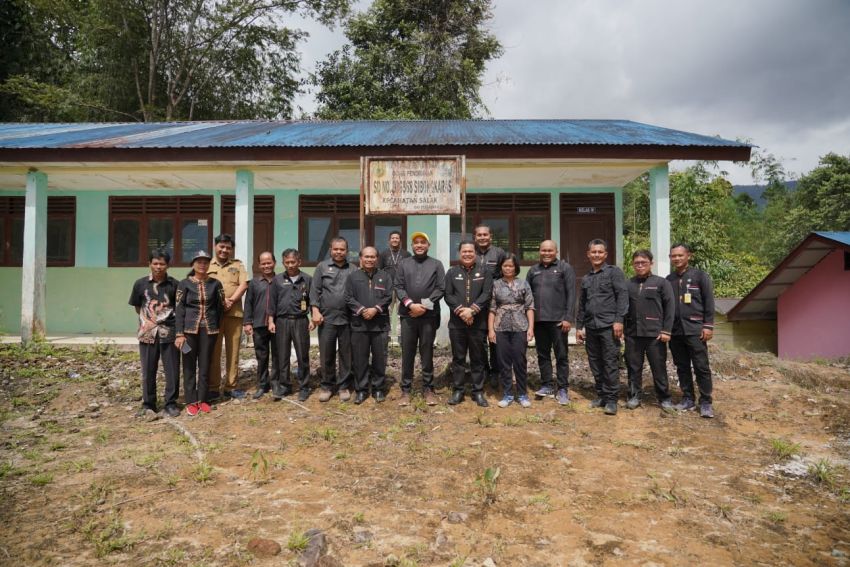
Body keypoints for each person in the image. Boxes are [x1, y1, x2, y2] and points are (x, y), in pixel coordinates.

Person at [576, 239, 628, 416]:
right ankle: (602, 396)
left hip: (609, 326)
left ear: (605, 254)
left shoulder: (614, 273)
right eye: (593, 252)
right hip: (591, 327)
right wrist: (579, 326)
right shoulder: (586, 278)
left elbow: (622, 296)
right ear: (588, 254)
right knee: (595, 363)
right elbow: (582, 304)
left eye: (600, 252)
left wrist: (619, 320)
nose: (596, 255)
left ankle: (612, 400)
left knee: (610, 362)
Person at [128, 249, 181, 418]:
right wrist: (150, 321)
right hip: (147, 334)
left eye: (162, 264)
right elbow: (138, 307)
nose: (158, 267)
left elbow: (179, 309)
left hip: (169, 333)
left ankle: (171, 403)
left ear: (168, 265)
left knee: (172, 369)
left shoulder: (175, 285)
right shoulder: (140, 284)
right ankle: (148, 404)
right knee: (148, 369)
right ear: (149, 264)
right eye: (155, 263)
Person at [394, 231, 445, 406]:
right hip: (408, 315)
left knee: (427, 352)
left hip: (429, 316)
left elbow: (441, 288)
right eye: (416, 242)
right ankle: (406, 390)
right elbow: (398, 287)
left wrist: (424, 306)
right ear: (412, 246)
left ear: (428, 245)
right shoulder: (403, 264)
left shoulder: (436, 264)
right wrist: (410, 305)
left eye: (423, 242)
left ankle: (428, 389)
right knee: (407, 352)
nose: (419, 245)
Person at [667, 243, 716, 418]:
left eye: (680, 255)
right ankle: (688, 398)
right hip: (676, 331)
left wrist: (708, 325)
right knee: (681, 366)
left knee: (701, 366)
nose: (677, 259)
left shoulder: (700, 276)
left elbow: (709, 302)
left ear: (689, 256)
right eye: (673, 256)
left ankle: (705, 402)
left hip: (695, 329)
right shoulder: (669, 280)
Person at [174, 251, 225, 416]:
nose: (202, 265)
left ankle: (203, 399)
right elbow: (179, 310)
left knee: (205, 365)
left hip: (209, 331)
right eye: (199, 262)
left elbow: (220, 308)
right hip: (189, 332)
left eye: (205, 262)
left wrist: (216, 326)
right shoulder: (184, 284)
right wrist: (179, 333)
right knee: (189, 365)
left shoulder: (215, 284)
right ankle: (190, 400)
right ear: (193, 264)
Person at [526, 240, 576, 405]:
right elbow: (527, 296)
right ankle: (546, 385)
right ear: (539, 251)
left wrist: (568, 317)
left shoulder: (564, 268)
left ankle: (562, 388)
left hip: (558, 321)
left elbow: (571, 294)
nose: (546, 253)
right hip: (539, 320)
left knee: (561, 356)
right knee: (542, 355)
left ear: (556, 251)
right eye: (543, 250)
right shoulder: (533, 270)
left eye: (550, 250)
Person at [624, 250, 676, 411]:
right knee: (633, 367)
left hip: (655, 335)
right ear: (633, 265)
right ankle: (634, 396)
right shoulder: (628, 284)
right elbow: (623, 308)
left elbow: (670, 308)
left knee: (658, 367)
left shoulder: (661, 283)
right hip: (633, 334)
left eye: (643, 262)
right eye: (637, 263)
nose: (640, 266)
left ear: (651, 263)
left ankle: (664, 398)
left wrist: (666, 330)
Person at [444, 240, 493, 407]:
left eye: (470, 251)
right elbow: (448, 295)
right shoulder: (451, 272)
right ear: (459, 253)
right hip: (457, 324)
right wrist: (462, 312)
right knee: (458, 358)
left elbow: (486, 294)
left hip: (478, 323)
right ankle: (458, 390)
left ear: (475, 253)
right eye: (464, 251)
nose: (467, 254)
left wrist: (472, 311)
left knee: (477, 358)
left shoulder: (484, 271)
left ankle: (478, 391)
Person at [345, 246, 393, 404]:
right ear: (361, 258)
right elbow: (348, 297)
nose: (370, 259)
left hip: (380, 325)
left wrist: (375, 309)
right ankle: (361, 390)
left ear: (377, 258)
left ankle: (378, 388)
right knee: (360, 359)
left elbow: (388, 297)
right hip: (359, 325)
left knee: (380, 358)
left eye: (373, 257)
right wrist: (362, 310)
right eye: (366, 256)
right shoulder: (353, 277)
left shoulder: (384, 276)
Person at [310, 236, 355, 402]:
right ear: (331, 250)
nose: (338, 252)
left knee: (346, 354)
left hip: (347, 319)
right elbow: (314, 291)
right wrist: (315, 311)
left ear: (347, 251)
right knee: (326, 354)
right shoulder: (322, 267)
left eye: (342, 249)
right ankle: (327, 386)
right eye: (335, 249)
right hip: (326, 318)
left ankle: (343, 386)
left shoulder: (353, 269)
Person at [488, 254, 535, 408]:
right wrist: (491, 330)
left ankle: (522, 394)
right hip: (500, 327)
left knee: (520, 361)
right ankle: (507, 393)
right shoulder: (496, 285)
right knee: (504, 362)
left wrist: (531, 328)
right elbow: (492, 309)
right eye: (505, 265)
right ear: (501, 267)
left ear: (516, 267)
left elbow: (530, 307)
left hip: (520, 327)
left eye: (511, 266)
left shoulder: (524, 284)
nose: (508, 268)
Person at [268, 249, 314, 402]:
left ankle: (304, 387)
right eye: (287, 262)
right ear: (283, 263)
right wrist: (270, 320)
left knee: (303, 355)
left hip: (300, 321)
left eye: (293, 262)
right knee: (282, 355)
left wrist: (313, 319)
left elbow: (313, 301)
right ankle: (284, 386)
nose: (290, 265)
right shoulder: (277, 280)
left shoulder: (307, 279)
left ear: (299, 262)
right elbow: (272, 302)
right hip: (282, 321)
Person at [207, 233, 249, 400]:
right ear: (215, 246)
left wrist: (231, 300)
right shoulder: (207, 264)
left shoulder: (237, 265)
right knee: (214, 352)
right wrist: (220, 300)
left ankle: (231, 386)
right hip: (213, 315)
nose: (224, 250)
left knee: (233, 352)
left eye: (228, 248)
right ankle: (213, 387)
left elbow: (244, 283)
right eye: (221, 247)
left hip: (234, 314)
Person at [474, 225, 506, 387]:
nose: (482, 237)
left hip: (495, 303)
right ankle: (483, 369)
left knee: (495, 338)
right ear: (475, 237)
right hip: (477, 304)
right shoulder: (471, 252)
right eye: (479, 235)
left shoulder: (499, 253)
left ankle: (496, 371)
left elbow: (506, 274)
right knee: (479, 339)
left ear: (490, 236)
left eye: (485, 234)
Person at [243, 251, 278, 400]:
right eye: (263, 263)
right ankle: (263, 384)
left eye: (269, 262)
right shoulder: (254, 283)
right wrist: (247, 322)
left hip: (277, 325)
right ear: (259, 265)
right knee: (261, 356)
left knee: (278, 355)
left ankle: (277, 383)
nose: (266, 266)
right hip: (258, 324)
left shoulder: (280, 280)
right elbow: (248, 303)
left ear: (274, 263)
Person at [377, 230, 411, 344]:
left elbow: (410, 272)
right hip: (388, 288)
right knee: (388, 311)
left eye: (397, 238)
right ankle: (389, 336)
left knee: (402, 312)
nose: (395, 240)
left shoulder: (407, 254)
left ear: (400, 240)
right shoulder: (383, 254)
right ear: (389, 240)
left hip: (402, 288)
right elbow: (379, 271)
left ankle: (402, 336)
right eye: (393, 238)